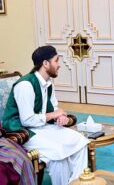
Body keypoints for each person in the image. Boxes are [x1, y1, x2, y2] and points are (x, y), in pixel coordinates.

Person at [2, 45, 89, 185]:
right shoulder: (25, 85)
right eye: (56, 60)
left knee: (80, 141)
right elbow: (27, 120)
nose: (59, 65)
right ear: (45, 63)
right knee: (58, 152)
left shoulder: (48, 83)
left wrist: (60, 117)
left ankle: (77, 182)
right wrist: (53, 114)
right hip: (24, 131)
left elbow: (53, 108)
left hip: (42, 126)